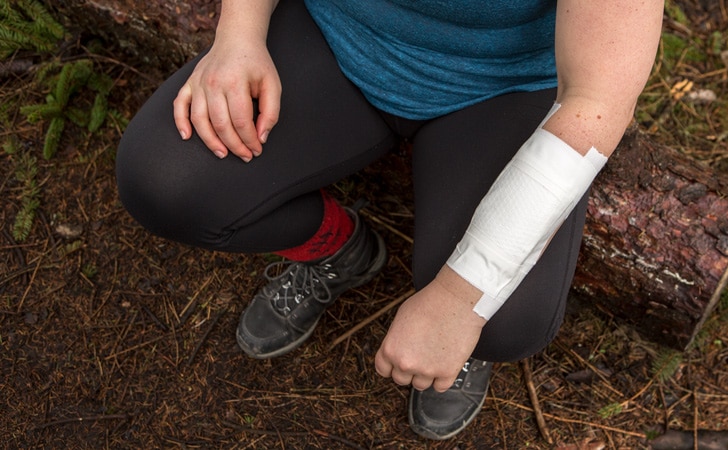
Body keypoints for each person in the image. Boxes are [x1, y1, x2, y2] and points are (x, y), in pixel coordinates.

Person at [116, 0, 663, 440]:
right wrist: (238, 33)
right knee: (167, 184)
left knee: (500, 318)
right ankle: (337, 248)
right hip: (334, 33)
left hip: (503, 86)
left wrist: (460, 298)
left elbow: (599, 100)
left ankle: (459, 346)